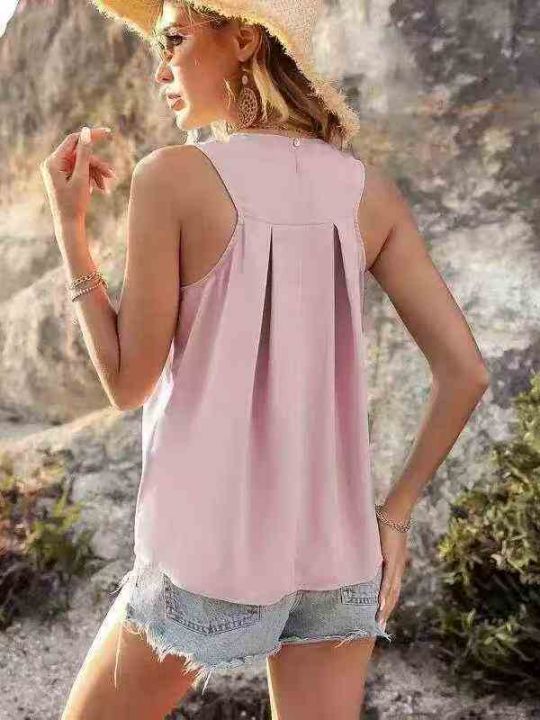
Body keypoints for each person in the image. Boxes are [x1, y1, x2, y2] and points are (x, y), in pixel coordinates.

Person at [39, 0, 490, 717]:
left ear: (246, 39)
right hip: (337, 555)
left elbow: (127, 382)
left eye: (175, 40)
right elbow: (466, 372)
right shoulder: (370, 193)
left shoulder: (172, 178)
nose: (161, 68)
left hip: (204, 555)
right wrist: (395, 515)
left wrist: (70, 233)